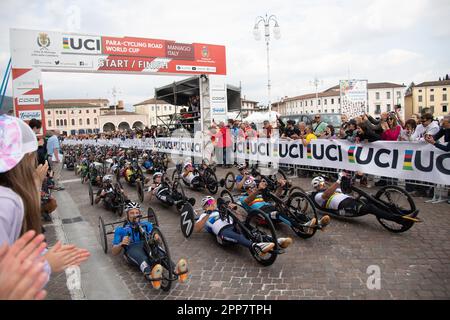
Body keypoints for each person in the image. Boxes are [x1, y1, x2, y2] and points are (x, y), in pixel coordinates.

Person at [0, 115, 90, 287]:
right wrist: (46, 264)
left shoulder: (9, 197)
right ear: (26, 158)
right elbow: (7, 280)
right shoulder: (6, 201)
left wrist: (35, 185)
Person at [111, 201, 188, 289]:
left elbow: (157, 237)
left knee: (161, 254)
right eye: (132, 213)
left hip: (147, 244)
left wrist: (156, 236)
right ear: (127, 214)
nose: (135, 215)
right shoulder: (120, 230)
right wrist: (121, 243)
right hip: (132, 248)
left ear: (140, 213)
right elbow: (114, 251)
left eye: (137, 212)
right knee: (143, 258)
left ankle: (176, 269)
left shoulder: (147, 225)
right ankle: (152, 275)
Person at [193, 196, 292, 254]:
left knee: (251, 229)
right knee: (237, 235)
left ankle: (276, 241)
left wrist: (232, 207)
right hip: (222, 232)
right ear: (205, 206)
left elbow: (238, 212)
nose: (212, 203)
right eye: (210, 202)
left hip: (234, 224)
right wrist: (209, 213)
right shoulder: (203, 215)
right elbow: (197, 228)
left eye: (213, 201)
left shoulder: (221, 210)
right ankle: (256, 247)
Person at [311, 174, 420, 223]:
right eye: (321, 184)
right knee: (371, 207)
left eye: (324, 183)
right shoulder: (317, 196)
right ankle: (401, 220)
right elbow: (326, 195)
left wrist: (348, 180)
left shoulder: (335, 190)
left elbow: (348, 192)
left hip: (351, 201)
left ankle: (403, 212)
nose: (324, 185)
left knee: (373, 200)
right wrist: (338, 181)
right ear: (316, 187)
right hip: (344, 208)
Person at [239, 177, 329, 234]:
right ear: (245, 189)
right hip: (262, 215)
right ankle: (301, 228)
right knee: (277, 214)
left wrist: (280, 186)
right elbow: (248, 200)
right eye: (249, 188)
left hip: (270, 208)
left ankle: (318, 223)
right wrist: (257, 190)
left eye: (253, 186)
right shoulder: (243, 198)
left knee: (288, 209)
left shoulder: (259, 195)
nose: (252, 188)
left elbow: (275, 196)